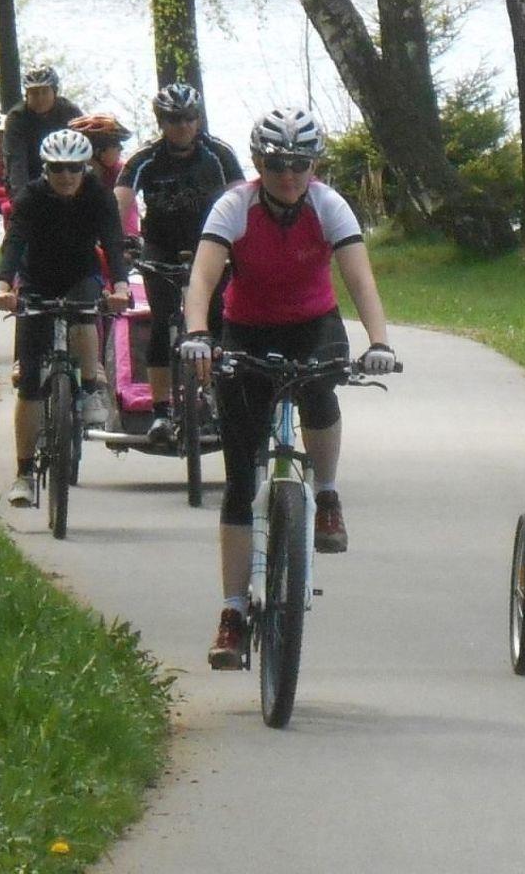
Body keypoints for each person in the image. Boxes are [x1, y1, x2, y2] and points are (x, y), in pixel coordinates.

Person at [177, 105, 397, 670]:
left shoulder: (328, 205)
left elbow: (359, 276)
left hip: (312, 324)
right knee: (239, 478)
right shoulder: (235, 205)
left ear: (314, 164)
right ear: (258, 163)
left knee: (321, 392)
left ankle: (327, 494)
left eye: (301, 163)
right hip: (246, 328)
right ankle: (232, 612)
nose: (289, 175)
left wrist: (378, 340)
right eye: (277, 164)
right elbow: (202, 277)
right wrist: (198, 333)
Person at [0, 128, 130, 508]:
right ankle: (23, 474)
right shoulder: (31, 197)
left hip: (81, 276)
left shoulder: (98, 195)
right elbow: (14, 243)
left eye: (74, 168)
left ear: (85, 168)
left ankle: (89, 387)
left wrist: (120, 286)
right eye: (57, 168)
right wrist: (2, 286)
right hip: (36, 280)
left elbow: (113, 242)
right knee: (29, 383)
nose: (66, 175)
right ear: (46, 169)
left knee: (85, 311)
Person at [116, 82, 244, 439]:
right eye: (174, 119)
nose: (183, 126)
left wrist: (241, 242)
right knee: (161, 321)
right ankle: (160, 411)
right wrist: (117, 241)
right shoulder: (146, 157)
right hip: (161, 246)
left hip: (209, 245)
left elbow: (241, 198)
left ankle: (215, 396)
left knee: (216, 319)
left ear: (198, 119)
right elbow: (120, 201)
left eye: (189, 118)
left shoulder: (218, 153)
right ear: (161, 122)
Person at [1, 65, 82, 191]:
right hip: (31, 176)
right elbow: (16, 162)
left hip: (66, 173)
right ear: (26, 95)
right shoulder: (16, 118)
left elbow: (83, 151)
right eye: (34, 93)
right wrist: (21, 196)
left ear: (54, 92)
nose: (40, 98)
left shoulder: (70, 112)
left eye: (44, 92)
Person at [69, 112, 132, 195]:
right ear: (98, 152)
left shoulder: (119, 174)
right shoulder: (68, 180)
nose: (121, 148)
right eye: (116, 144)